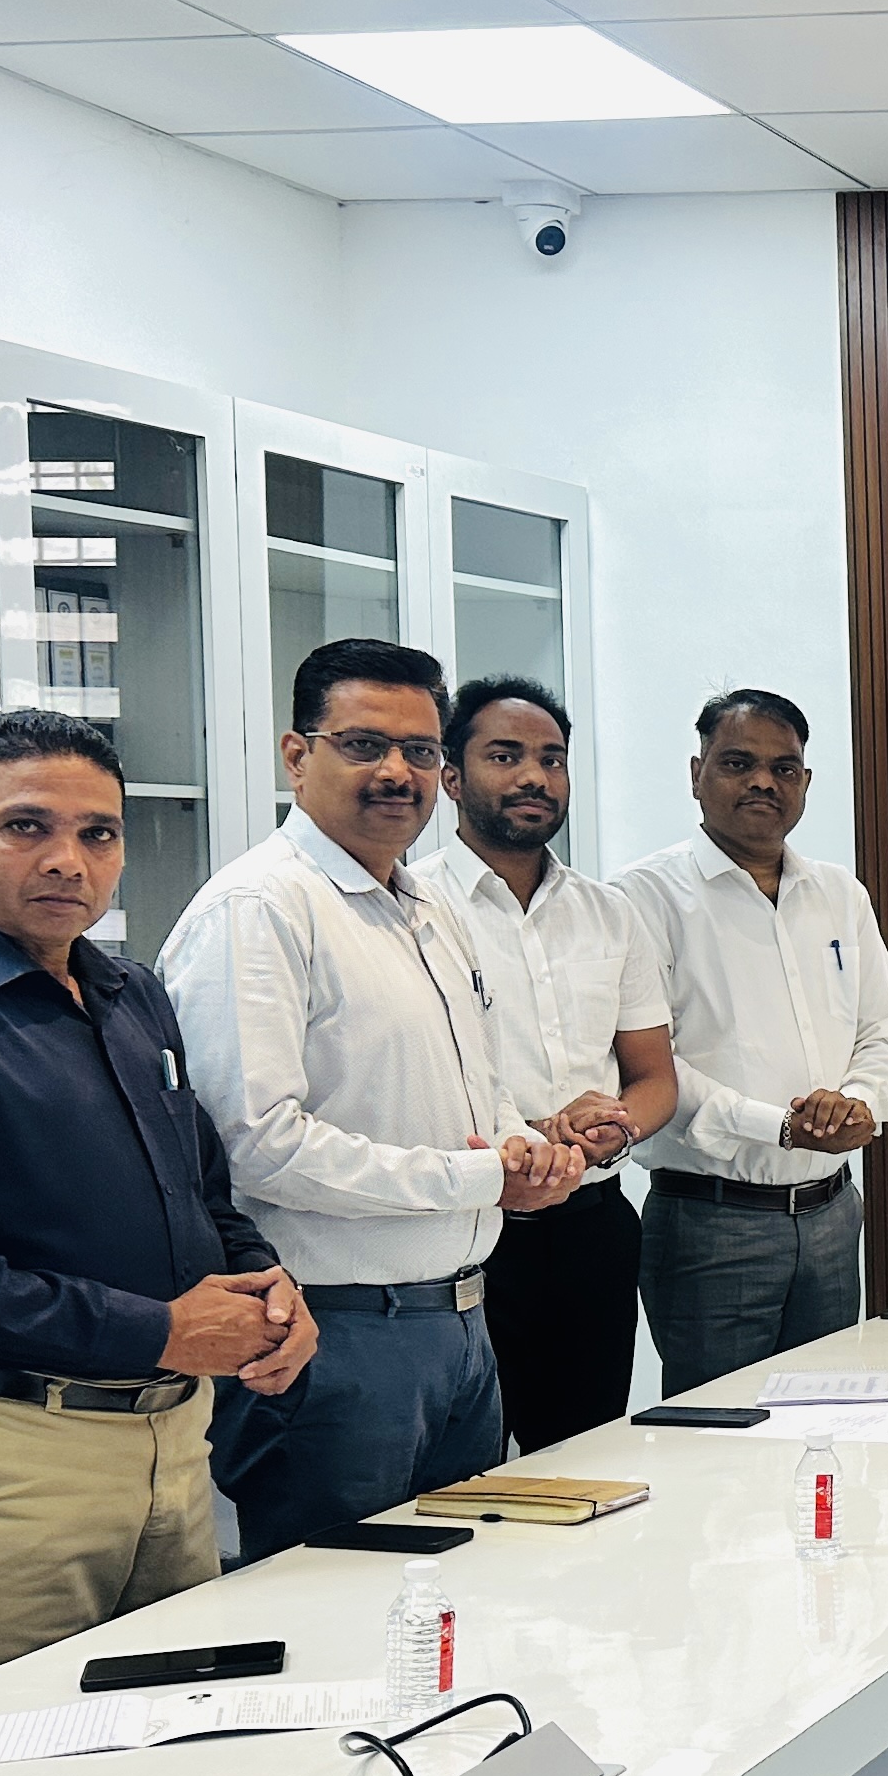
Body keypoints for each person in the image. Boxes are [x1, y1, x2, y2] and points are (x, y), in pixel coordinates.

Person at [0, 709, 316, 1701]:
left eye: (97, 833)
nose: (68, 860)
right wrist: (160, 1330)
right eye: (26, 826)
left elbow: (201, 1194)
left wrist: (267, 1288)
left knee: (173, 1738)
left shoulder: (130, 994)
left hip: (168, 1441)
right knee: (6, 1760)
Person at [161, 638, 574, 1559]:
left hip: (461, 1325)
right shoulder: (259, 909)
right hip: (332, 1336)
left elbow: (480, 1091)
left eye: (420, 751)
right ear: (296, 755)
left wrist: (524, 1149)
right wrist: (478, 1178)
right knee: (334, 1611)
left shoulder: (426, 907)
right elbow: (255, 1144)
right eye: (362, 745)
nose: (397, 772)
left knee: (458, 1601)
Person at [619, 687, 888, 1392]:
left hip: (833, 1213)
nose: (762, 782)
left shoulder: (839, 893)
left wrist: (860, 1104)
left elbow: (879, 1027)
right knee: (717, 1429)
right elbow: (650, 1063)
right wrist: (777, 1127)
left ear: (805, 782)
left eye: (783, 769)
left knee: (824, 1415)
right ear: (697, 774)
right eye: (737, 763)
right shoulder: (642, 897)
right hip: (711, 1221)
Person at [433, 676, 675, 1448]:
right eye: (505, 756)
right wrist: (529, 1136)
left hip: (592, 1228)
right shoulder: (418, 908)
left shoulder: (610, 912)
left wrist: (612, 1130)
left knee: (587, 1458)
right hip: (470, 1233)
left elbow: (654, 1077)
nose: (534, 776)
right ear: (451, 777)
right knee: (467, 1467)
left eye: (552, 758)